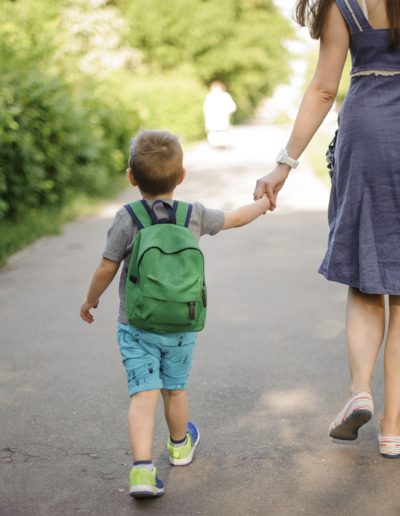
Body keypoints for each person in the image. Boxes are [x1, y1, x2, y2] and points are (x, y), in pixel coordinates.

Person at [80, 129, 269, 498]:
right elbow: (236, 218)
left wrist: (91, 300)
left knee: (143, 395)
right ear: (181, 176)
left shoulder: (127, 217)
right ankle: (180, 446)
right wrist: (264, 202)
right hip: (182, 324)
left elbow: (106, 267)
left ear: (131, 177)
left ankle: (142, 473)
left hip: (136, 325)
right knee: (175, 390)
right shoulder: (192, 215)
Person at [254, 0, 400, 458]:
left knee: (365, 276)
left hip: (368, 132)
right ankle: (393, 429)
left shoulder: (345, 4)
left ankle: (360, 391)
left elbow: (322, 89)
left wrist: (284, 164)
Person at [203, 81, 237, 148]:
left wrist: (228, 113)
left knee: (222, 133)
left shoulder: (225, 96)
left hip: (223, 118)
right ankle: (216, 146)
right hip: (212, 119)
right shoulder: (209, 96)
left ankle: (222, 146)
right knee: (213, 134)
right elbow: (205, 109)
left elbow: (232, 107)